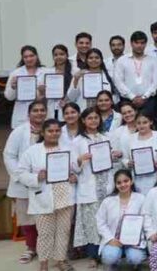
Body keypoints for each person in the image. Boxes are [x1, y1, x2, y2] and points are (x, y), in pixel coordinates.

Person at [17, 118, 78, 271]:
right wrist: (36, 177)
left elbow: (76, 169)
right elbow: (21, 173)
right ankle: (43, 263)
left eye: (57, 131)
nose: (54, 133)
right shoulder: (32, 151)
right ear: (43, 133)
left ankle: (60, 260)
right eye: (50, 131)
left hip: (64, 196)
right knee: (45, 233)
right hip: (43, 198)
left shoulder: (68, 149)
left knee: (63, 231)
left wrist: (74, 176)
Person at [3, 100, 48, 265]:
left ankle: (46, 249)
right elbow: (9, 155)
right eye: (35, 110)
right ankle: (30, 248)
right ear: (28, 114)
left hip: (46, 181)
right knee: (27, 217)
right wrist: (22, 177)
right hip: (23, 183)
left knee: (45, 216)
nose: (39, 113)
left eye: (42, 110)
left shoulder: (51, 129)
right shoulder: (19, 132)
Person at [72, 108, 115, 266]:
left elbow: (113, 162)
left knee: (107, 221)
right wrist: (79, 160)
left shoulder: (106, 137)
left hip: (106, 185)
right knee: (92, 224)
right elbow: (73, 168)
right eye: (89, 118)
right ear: (83, 121)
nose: (93, 121)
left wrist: (113, 156)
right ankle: (93, 256)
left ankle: (108, 253)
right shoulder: (78, 141)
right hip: (89, 187)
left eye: (96, 118)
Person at [95, 169, 147, 268]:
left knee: (136, 258)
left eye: (126, 181)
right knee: (109, 257)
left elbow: (145, 221)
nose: (123, 185)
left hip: (133, 241)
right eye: (119, 182)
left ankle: (135, 266)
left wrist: (138, 239)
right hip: (114, 240)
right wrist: (110, 239)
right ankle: (113, 265)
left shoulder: (141, 199)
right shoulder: (108, 201)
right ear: (115, 184)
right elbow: (100, 222)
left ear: (131, 181)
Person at [114, 31, 157, 124]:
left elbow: (156, 82)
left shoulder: (153, 60)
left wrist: (144, 97)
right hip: (128, 100)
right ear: (131, 43)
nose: (139, 46)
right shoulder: (122, 60)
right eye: (137, 43)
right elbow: (118, 81)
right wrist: (132, 97)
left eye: (142, 43)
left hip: (148, 100)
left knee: (147, 126)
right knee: (129, 126)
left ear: (146, 44)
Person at [4, 45, 48, 128]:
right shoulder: (16, 73)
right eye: (26, 57)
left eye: (31, 56)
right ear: (22, 58)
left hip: (40, 113)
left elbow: (52, 95)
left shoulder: (46, 72)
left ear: (36, 56)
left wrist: (43, 93)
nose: (29, 59)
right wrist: (13, 87)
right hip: (21, 115)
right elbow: (9, 97)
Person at [122, 111, 157, 194]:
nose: (141, 125)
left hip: (156, 176)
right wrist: (128, 163)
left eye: (145, 122)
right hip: (137, 178)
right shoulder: (130, 139)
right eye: (139, 123)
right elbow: (124, 158)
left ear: (151, 122)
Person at [44, 44, 76, 121]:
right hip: (52, 108)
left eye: (61, 54)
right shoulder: (48, 72)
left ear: (67, 55)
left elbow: (77, 90)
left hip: (70, 107)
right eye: (56, 55)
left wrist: (66, 100)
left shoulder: (75, 71)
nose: (58, 57)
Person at [110, 101, 138, 170]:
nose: (127, 115)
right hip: (125, 170)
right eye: (124, 113)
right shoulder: (118, 131)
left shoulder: (143, 128)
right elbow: (113, 153)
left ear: (135, 111)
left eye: (129, 111)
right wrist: (117, 155)